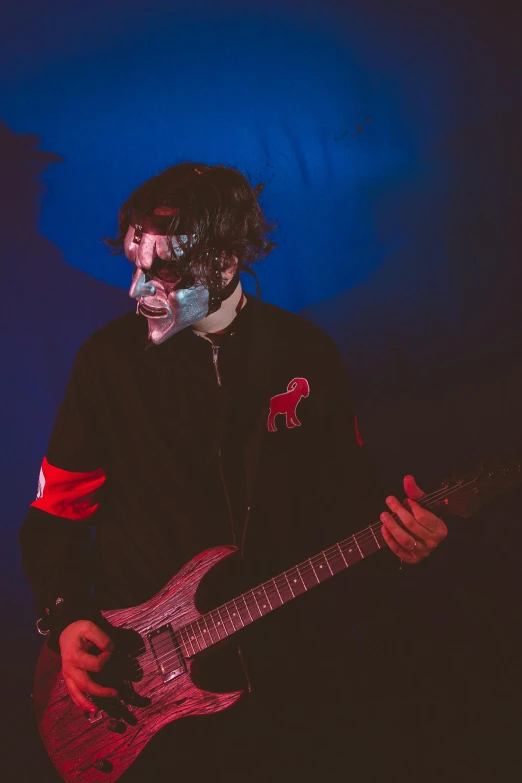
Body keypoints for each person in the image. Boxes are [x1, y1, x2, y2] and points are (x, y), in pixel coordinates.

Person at [20, 162, 448, 781]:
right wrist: (64, 616)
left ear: (226, 258)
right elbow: (54, 516)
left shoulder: (307, 355)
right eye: (136, 264)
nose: (139, 292)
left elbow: (351, 505)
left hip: (286, 684)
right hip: (143, 682)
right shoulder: (105, 364)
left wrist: (404, 541)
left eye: (163, 269)